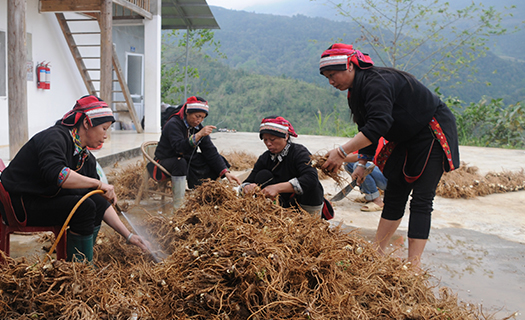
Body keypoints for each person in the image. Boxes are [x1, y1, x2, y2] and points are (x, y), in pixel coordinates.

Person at [319, 43, 459, 268]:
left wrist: (342, 152)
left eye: (332, 75)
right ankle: (376, 252)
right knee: (395, 193)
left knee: (422, 199)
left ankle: (413, 265)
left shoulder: (377, 82)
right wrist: (362, 162)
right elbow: (366, 126)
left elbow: (378, 124)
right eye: (326, 77)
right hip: (403, 138)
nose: (331, 82)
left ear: (351, 66)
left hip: (430, 130)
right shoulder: (355, 93)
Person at [0, 95, 149, 263]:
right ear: (87, 123)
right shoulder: (54, 138)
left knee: (94, 202)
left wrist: (129, 236)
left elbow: (101, 201)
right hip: (20, 205)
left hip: (43, 198)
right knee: (84, 208)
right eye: (104, 128)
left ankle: (81, 263)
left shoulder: (84, 156)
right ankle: (79, 270)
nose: (106, 135)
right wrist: (99, 183)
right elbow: (57, 174)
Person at [149, 96, 241, 208]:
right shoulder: (173, 124)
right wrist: (198, 135)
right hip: (165, 161)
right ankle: (179, 205)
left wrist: (225, 172)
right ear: (187, 112)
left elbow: (209, 150)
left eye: (202, 118)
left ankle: (208, 197)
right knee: (180, 162)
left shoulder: (197, 127)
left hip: (186, 159)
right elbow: (179, 148)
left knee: (216, 160)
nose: (199, 120)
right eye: (197, 116)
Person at [242, 116, 325, 215]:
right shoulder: (265, 158)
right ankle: (274, 212)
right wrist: (247, 187)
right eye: (265, 140)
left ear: (286, 136)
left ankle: (311, 219)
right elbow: (249, 180)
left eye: (272, 139)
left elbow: (311, 178)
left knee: (313, 187)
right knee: (263, 175)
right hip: (281, 203)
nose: (268, 144)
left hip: (304, 202)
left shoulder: (299, 152)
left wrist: (277, 188)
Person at [343, 137, 388, 212]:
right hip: (380, 173)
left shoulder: (385, 140)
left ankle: (377, 201)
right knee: (349, 164)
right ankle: (368, 195)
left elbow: (360, 157)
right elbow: (354, 154)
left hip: (390, 179)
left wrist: (339, 157)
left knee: (361, 166)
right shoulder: (372, 137)